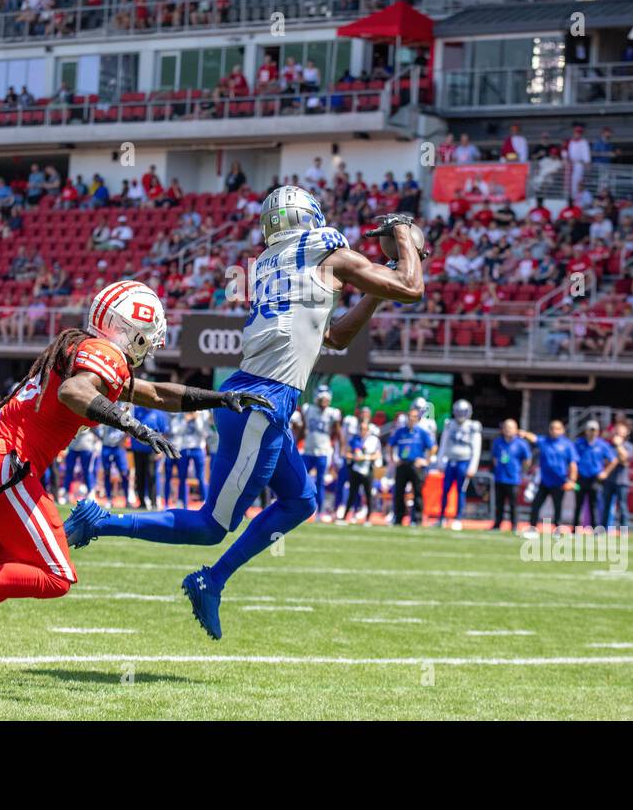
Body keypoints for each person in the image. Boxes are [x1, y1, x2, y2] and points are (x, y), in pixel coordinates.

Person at [70, 189, 426, 640]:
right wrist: (403, 239)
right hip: (263, 400)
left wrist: (377, 290)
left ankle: (212, 581)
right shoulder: (325, 251)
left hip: (255, 395)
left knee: (301, 500)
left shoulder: (271, 263)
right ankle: (102, 521)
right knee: (210, 526)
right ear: (311, 217)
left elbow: (334, 337)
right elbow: (413, 289)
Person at [0, 281, 272, 686]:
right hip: (8, 466)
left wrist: (218, 398)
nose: (149, 346)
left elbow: (156, 393)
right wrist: (131, 425)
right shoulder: (104, 353)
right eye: (145, 337)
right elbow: (74, 391)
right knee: (56, 576)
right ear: (127, 329)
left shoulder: (86, 349)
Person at [519, 421, 579, 534]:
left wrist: (572, 480)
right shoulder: (545, 441)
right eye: (552, 428)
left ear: (562, 430)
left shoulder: (567, 445)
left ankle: (557, 530)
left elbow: (573, 464)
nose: (554, 431)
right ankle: (532, 528)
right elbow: (534, 438)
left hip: (559, 482)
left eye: (557, 428)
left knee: (558, 507)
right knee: (536, 504)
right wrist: (524, 434)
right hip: (545, 482)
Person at [296, 384, 342, 518]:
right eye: (322, 399)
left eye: (327, 400)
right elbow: (304, 429)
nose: (324, 403)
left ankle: (319, 511)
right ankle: (298, 508)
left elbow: (339, 434)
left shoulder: (333, 413)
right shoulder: (308, 409)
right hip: (308, 451)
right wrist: (295, 444)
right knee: (300, 479)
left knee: (320, 482)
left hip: (323, 452)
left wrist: (340, 451)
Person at [436, 399, 483, 530]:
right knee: (445, 490)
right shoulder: (449, 424)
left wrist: (473, 466)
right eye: (458, 411)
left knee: (460, 491)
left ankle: (458, 518)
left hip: (464, 461)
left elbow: (476, 448)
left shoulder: (473, 426)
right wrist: (440, 461)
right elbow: (443, 444)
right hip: (450, 461)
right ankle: (441, 517)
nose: (461, 414)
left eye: (463, 411)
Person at [388, 407, 437, 526]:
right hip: (402, 465)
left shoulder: (421, 432)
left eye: (414, 417)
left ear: (417, 419)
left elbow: (433, 447)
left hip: (416, 466)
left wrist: (426, 461)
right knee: (399, 492)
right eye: (410, 416)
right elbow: (390, 445)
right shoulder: (400, 432)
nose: (411, 419)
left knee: (418, 492)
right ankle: (398, 518)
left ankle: (416, 519)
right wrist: (393, 459)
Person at [572, 419, 616, 530]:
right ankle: (575, 528)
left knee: (594, 504)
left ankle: (595, 529)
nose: (592, 432)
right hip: (581, 478)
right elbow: (572, 459)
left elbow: (613, 460)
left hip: (595, 478)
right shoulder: (579, 443)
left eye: (594, 430)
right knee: (578, 504)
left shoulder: (602, 445)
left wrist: (605, 473)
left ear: (598, 431)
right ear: (586, 431)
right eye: (590, 430)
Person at [489, 418, 531, 531]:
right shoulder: (498, 441)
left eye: (510, 428)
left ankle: (514, 526)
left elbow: (527, 460)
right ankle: (497, 524)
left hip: (513, 478)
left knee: (513, 504)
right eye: (506, 427)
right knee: (499, 504)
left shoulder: (521, 443)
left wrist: (522, 472)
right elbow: (494, 457)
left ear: (516, 429)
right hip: (499, 477)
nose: (508, 430)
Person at [129, 403, 169, 509]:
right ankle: (142, 502)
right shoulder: (136, 411)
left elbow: (164, 433)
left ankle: (154, 502)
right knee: (139, 476)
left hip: (152, 450)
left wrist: (160, 450)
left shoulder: (159, 413)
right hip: (137, 449)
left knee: (151, 475)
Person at [167, 410, 210, 509]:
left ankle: (205, 501)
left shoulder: (203, 413)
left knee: (201, 476)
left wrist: (197, 419)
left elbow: (204, 433)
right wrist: (186, 420)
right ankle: (182, 501)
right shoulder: (182, 412)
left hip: (198, 448)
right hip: (184, 447)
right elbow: (176, 431)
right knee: (182, 476)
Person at [597, 421, 633, 531]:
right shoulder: (608, 446)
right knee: (606, 506)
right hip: (609, 480)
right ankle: (603, 529)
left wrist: (618, 446)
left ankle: (623, 530)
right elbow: (607, 460)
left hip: (622, 481)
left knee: (622, 506)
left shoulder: (628, 446)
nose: (618, 434)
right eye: (617, 431)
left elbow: (625, 459)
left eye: (621, 431)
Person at [344, 416, 382, 523]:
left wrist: (365, 457)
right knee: (352, 493)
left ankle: (368, 518)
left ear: (368, 429)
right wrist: (354, 457)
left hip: (367, 470)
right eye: (361, 428)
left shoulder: (374, 440)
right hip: (355, 469)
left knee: (368, 494)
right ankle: (345, 516)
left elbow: (377, 455)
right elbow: (346, 453)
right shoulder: (354, 439)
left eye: (365, 429)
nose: (362, 431)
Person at [61, 426, 100, 504]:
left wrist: (97, 443)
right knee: (69, 470)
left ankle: (91, 492)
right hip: (73, 445)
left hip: (86, 445)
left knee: (87, 471)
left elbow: (96, 429)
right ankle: (66, 493)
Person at [96, 421, 130, 502]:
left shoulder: (124, 410)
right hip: (107, 446)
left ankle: (127, 499)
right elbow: (92, 427)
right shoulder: (104, 411)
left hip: (118, 447)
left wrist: (123, 439)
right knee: (107, 472)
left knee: (124, 473)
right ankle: (109, 498)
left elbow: (130, 427)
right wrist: (101, 437)